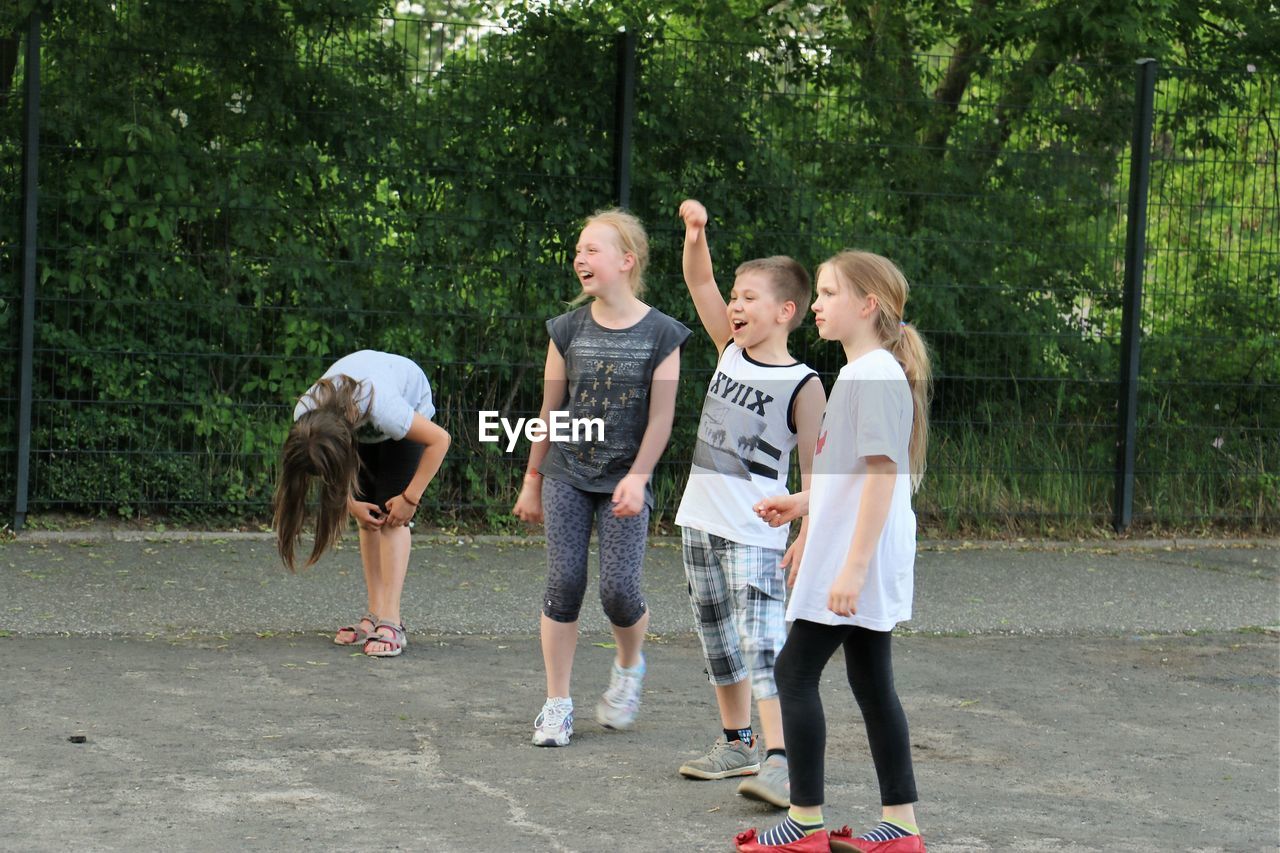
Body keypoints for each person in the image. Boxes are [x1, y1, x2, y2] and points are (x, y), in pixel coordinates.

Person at [734, 251, 932, 853]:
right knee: (872, 683)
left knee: (793, 672)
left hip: (857, 557)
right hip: (855, 550)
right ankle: (900, 827)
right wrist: (804, 506)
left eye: (827, 293)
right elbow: (852, 474)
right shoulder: (864, 372)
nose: (815, 304)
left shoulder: (871, 375)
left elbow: (880, 476)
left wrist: (850, 567)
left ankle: (805, 823)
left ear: (867, 305)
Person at [513, 208, 690, 747]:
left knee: (618, 592)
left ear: (625, 261)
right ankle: (557, 705)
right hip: (567, 471)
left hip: (625, 479)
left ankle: (629, 667)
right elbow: (551, 410)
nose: (580, 258)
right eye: (578, 250)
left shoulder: (663, 333)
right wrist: (532, 479)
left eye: (593, 249)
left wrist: (639, 476)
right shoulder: (565, 330)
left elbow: (662, 418)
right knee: (563, 585)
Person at [672, 200, 826, 809]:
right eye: (734, 297)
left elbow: (816, 475)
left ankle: (783, 761)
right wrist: (696, 233)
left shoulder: (805, 384)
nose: (734, 306)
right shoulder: (728, 351)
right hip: (699, 524)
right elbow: (698, 279)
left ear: (786, 312)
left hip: (756, 533)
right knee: (718, 640)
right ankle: (738, 741)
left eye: (749, 298)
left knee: (762, 643)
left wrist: (806, 533)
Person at [273, 350, 450, 658]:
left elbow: (440, 440)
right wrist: (351, 502)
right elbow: (334, 472)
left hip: (406, 401)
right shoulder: (306, 415)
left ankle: (392, 621)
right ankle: (374, 614)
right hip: (358, 421)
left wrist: (410, 498)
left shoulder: (388, 410)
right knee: (369, 517)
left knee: (391, 515)